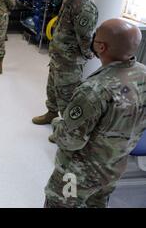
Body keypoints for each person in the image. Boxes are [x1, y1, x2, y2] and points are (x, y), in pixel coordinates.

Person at [44, 18, 146, 208]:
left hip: (79, 174)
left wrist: (58, 124)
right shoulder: (143, 74)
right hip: (115, 166)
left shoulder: (95, 90)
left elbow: (70, 139)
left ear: (100, 47)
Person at [32, 0, 99, 132]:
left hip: (69, 63)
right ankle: (51, 113)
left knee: (67, 98)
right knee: (53, 90)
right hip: (58, 57)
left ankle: (66, 131)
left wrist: (81, 58)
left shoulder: (85, 6)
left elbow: (85, 40)